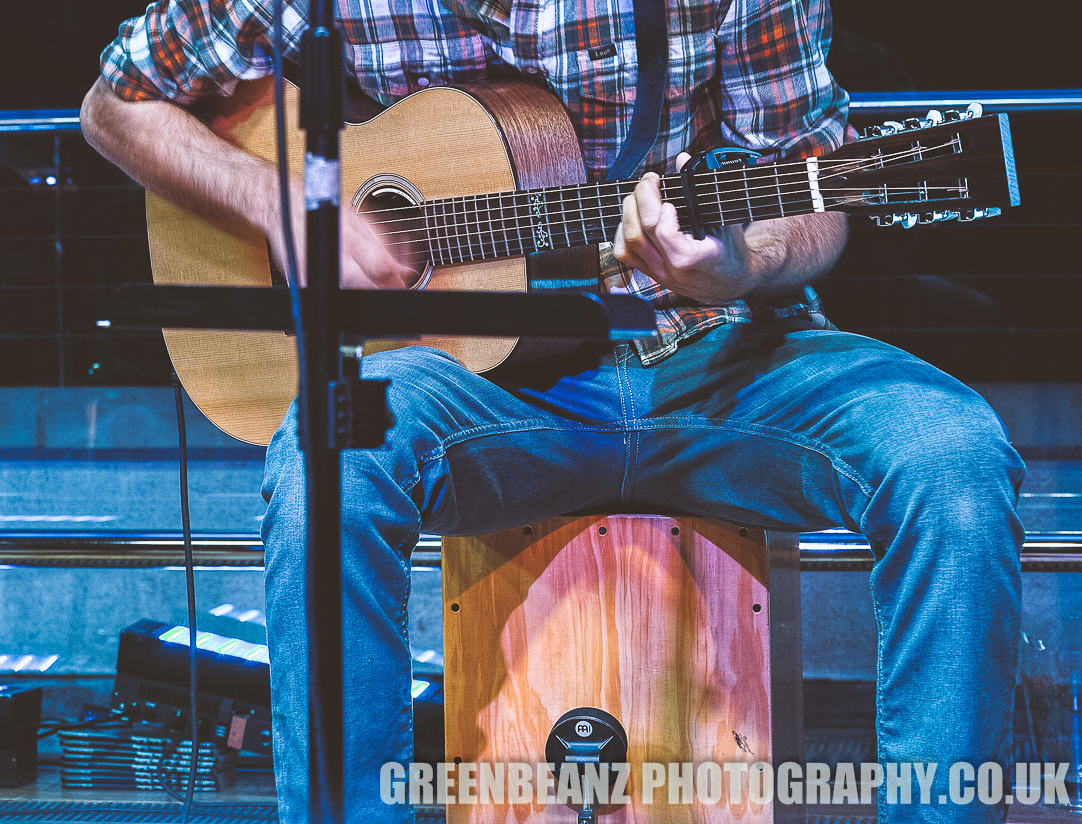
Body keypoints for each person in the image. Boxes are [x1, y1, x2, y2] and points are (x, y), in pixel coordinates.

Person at [80, 1, 1021, 822]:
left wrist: (733, 261)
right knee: (328, 467)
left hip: (717, 355)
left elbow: (812, 183)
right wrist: (285, 203)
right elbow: (115, 104)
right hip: (475, 385)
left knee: (952, 453)